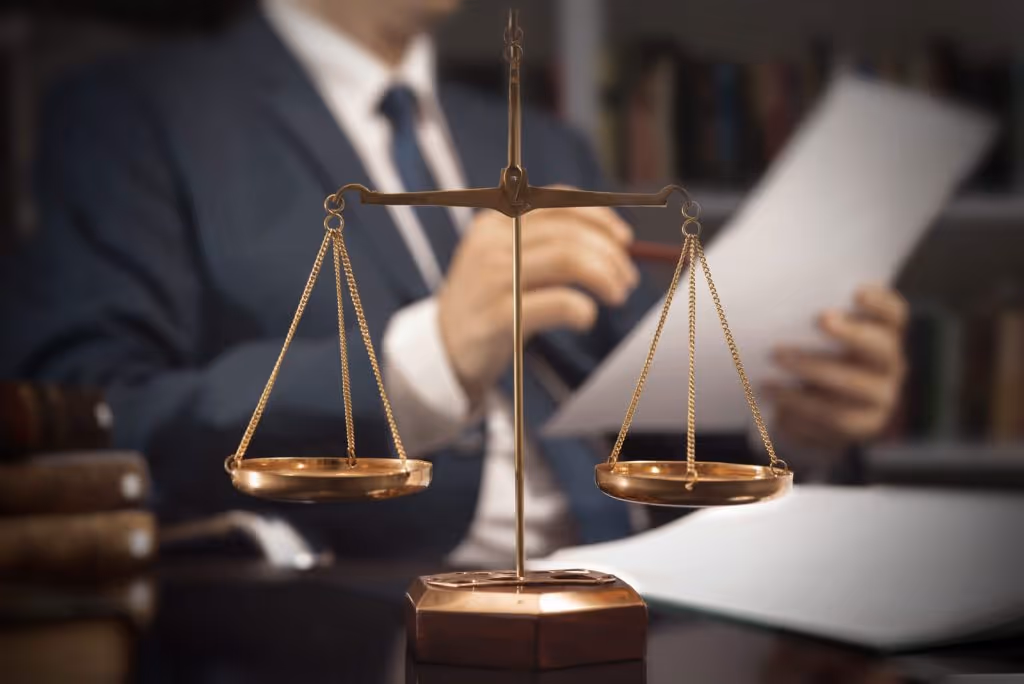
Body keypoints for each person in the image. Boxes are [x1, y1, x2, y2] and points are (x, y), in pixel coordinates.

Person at [0, 0, 907, 562]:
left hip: (654, 601)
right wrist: (426, 359)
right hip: (366, 627)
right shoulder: (133, 113)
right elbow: (87, 423)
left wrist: (794, 417)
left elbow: (651, 416)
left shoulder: (541, 141)